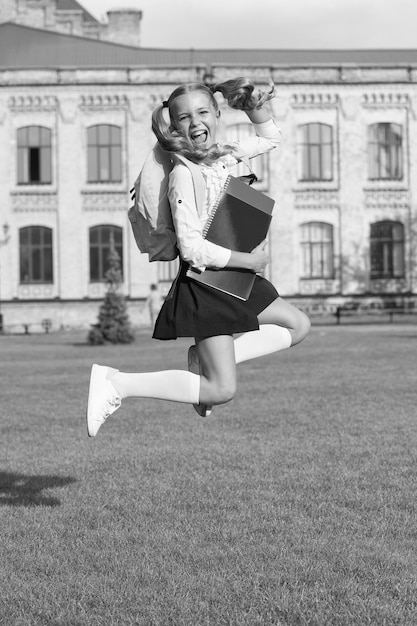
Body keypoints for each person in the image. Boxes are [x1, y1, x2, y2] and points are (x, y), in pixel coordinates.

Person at [87, 77, 310, 437]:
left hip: (233, 278)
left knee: (297, 325)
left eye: (203, 112)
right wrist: (246, 260)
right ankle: (117, 384)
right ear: (173, 126)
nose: (196, 122)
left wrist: (253, 104)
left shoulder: (222, 156)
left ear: (218, 114)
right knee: (221, 390)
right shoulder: (181, 174)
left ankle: (199, 360)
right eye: (185, 118)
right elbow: (190, 248)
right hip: (207, 284)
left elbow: (271, 138)